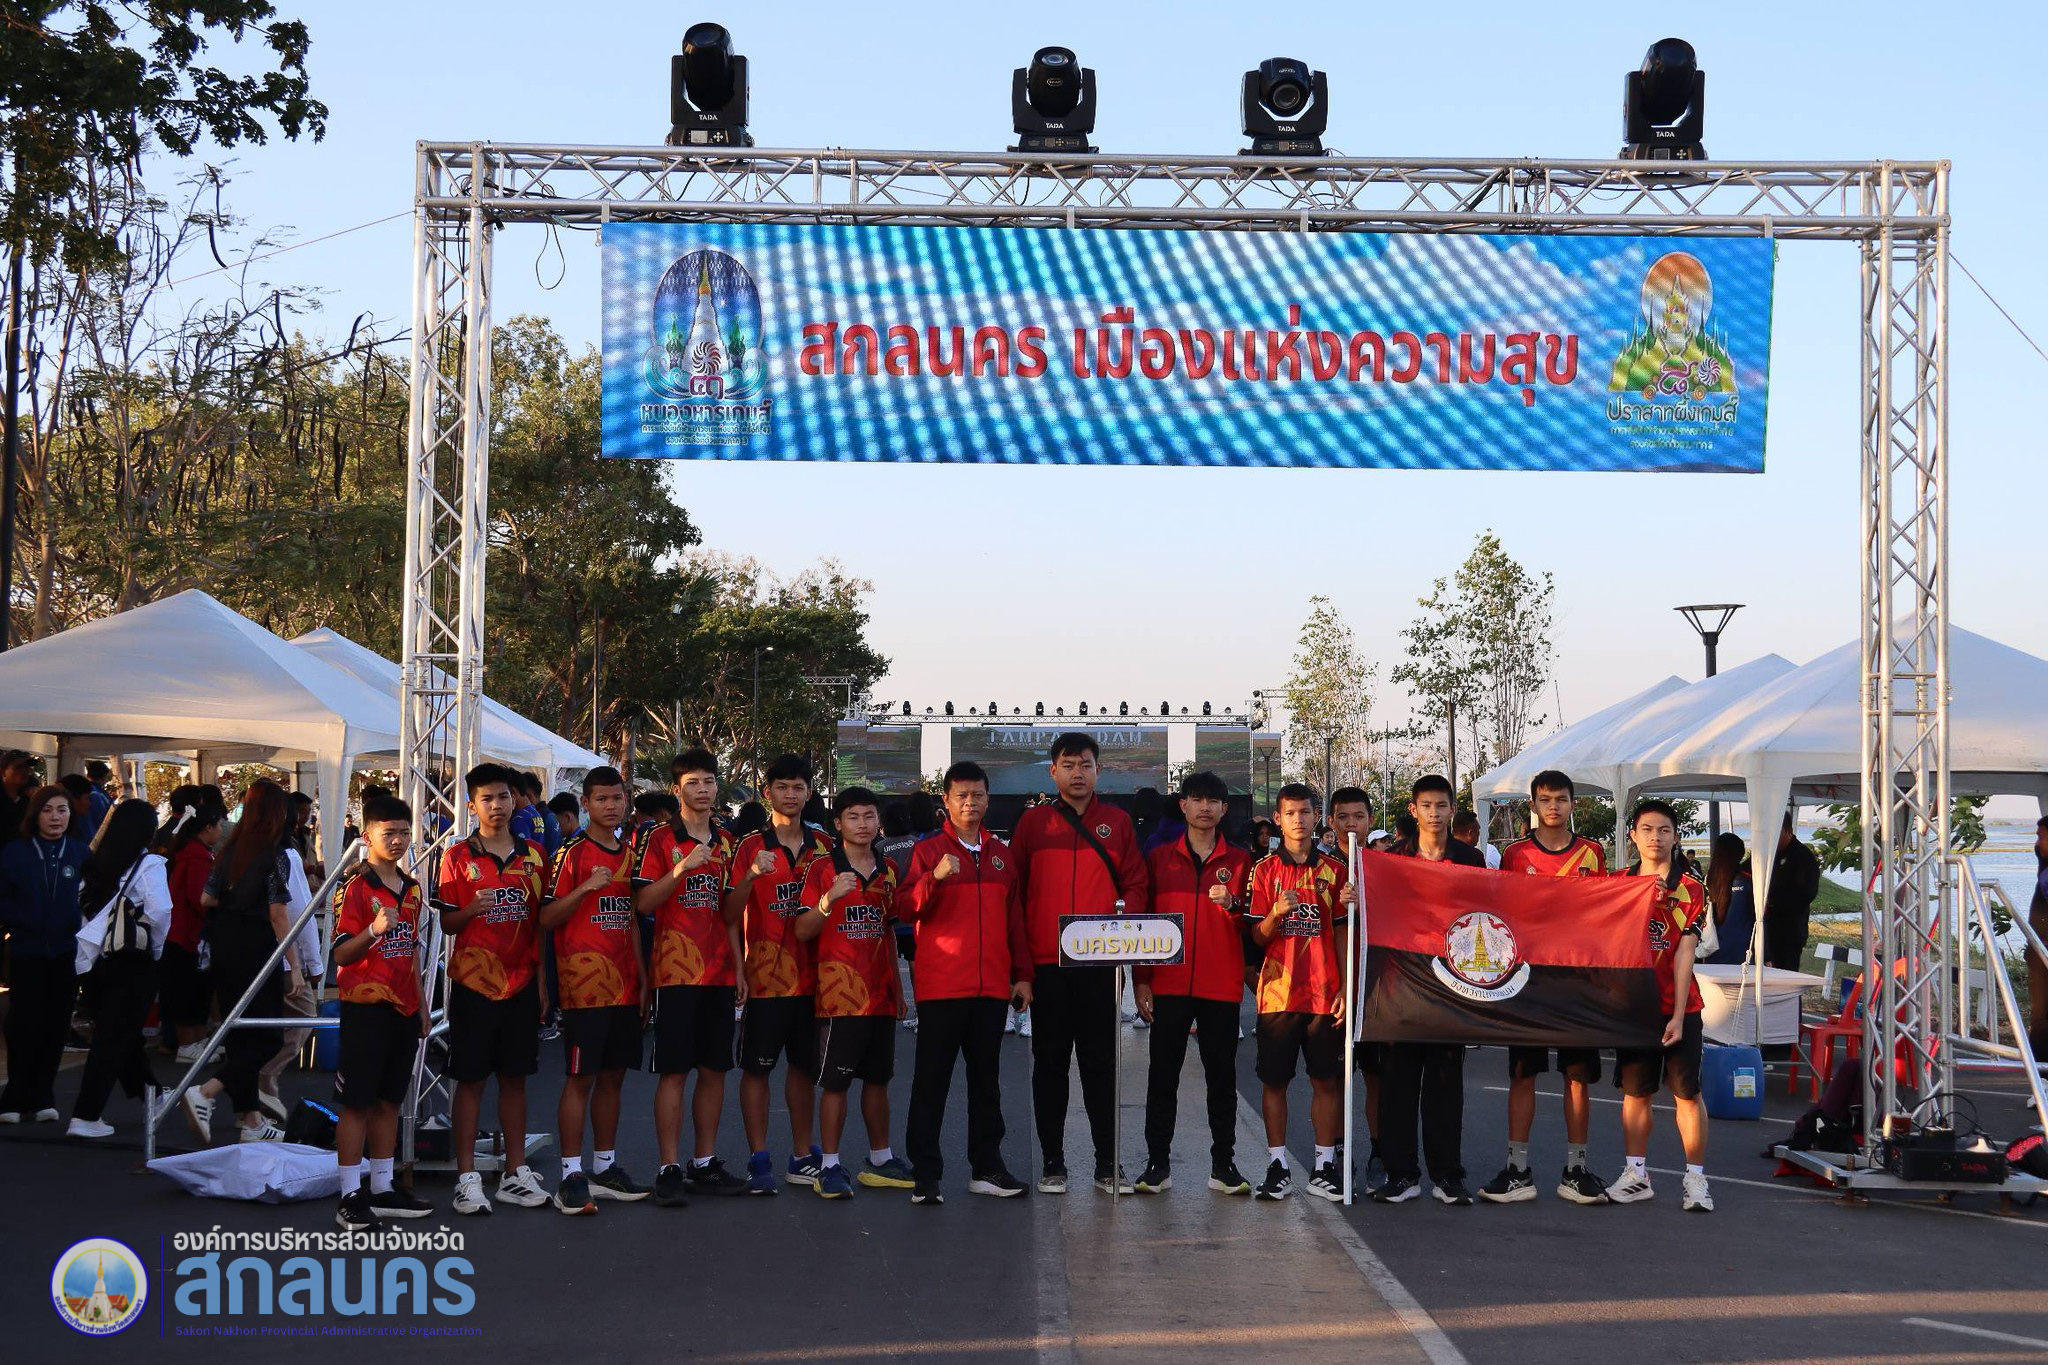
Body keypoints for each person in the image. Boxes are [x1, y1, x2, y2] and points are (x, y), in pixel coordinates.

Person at [1010, 732, 1149, 1195]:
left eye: (1085, 765)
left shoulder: (1118, 823)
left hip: (1100, 967)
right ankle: (1053, 1162)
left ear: (1098, 771)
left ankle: (1108, 1164)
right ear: (1053, 772)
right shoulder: (1032, 824)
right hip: (1047, 964)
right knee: (1049, 1065)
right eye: (1068, 765)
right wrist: (1022, 970)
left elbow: (1136, 884)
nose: (1077, 773)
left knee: (1100, 1065)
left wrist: (1121, 923)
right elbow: (1014, 896)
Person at [898, 761, 1032, 1203]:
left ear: (988, 800)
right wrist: (933, 879)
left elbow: (1015, 921)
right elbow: (904, 909)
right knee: (930, 1084)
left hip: (991, 989)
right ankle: (926, 1175)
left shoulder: (1001, 856)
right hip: (942, 989)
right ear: (946, 801)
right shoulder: (928, 852)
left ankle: (987, 1169)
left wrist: (1022, 976)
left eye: (977, 795)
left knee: (986, 1084)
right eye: (962, 795)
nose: (970, 802)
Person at [1484, 769, 1610, 1207]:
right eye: (1544, 799)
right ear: (1533, 805)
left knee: (1577, 1078)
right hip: (1527, 982)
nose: (1552, 806)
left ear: (1574, 804)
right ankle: (1517, 1170)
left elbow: (1604, 913)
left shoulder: (1593, 853)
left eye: (1560, 799)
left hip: (1577, 981)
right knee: (1523, 1074)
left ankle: (1576, 1170)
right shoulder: (1516, 854)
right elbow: (1502, 914)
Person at [435, 762, 553, 1215]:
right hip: (473, 983)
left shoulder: (535, 855)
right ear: (472, 806)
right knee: (470, 1081)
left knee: (515, 1078)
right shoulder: (457, 857)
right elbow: (448, 923)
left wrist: (541, 982)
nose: (497, 805)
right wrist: (471, 910)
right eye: (487, 798)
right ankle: (466, 1177)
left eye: (504, 796)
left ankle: (515, 1173)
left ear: (515, 799)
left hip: (521, 983)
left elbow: (540, 923)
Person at [634, 748, 750, 1203]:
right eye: (693, 783)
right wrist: (681, 868)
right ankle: (668, 1166)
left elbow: (730, 914)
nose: (703, 790)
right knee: (674, 1072)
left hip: (719, 972)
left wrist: (739, 966)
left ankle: (704, 1161)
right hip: (675, 972)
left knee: (715, 1069)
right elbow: (644, 903)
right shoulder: (659, 838)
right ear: (676, 789)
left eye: (709, 781)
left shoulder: (728, 842)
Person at [1133, 771, 1254, 1196]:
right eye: (1197, 799)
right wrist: (1141, 980)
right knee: (1161, 1078)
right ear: (1183, 805)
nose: (1205, 807)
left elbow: (1255, 925)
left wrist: (1234, 904)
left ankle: (1224, 1165)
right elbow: (1144, 924)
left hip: (1220, 987)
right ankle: (1157, 1164)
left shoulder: (1241, 862)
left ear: (1224, 809)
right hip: (1168, 985)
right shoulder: (1158, 858)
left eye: (1213, 801)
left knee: (1222, 1080)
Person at [792, 787, 914, 1198]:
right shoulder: (821, 869)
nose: (863, 824)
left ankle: (880, 1158)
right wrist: (828, 900)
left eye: (869, 816)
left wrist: (899, 989)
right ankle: (829, 1165)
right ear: (838, 824)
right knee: (836, 1084)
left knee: (878, 1080)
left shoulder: (889, 869)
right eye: (854, 817)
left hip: (880, 994)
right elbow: (802, 930)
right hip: (838, 997)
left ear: (879, 822)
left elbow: (889, 932)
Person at [539, 766, 650, 1214]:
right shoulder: (571, 853)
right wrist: (586, 887)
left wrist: (643, 979)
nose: (611, 805)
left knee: (613, 1077)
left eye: (617, 798)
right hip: (583, 989)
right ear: (585, 803)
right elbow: (546, 918)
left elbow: (633, 921)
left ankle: (605, 1168)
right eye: (601, 799)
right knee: (580, 1079)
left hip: (625, 986)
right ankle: (571, 1176)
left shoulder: (632, 854)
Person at [1375, 775, 1486, 1206]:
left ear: (1452, 809)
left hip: (1451, 987)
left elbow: (1485, 913)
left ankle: (1447, 1175)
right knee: (1398, 1085)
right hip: (1401, 985)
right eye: (1427, 806)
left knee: (1445, 1087)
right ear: (1414, 810)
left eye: (1442, 805)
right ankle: (1401, 1174)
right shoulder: (1391, 859)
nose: (1434, 814)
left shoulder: (1470, 858)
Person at [725, 754, 831, 1194]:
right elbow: (729, 913)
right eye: (782, 787)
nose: (790, 794)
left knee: (804, 1071)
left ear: (809, 793)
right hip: (764, 979)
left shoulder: (825, 844)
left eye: (798, 787)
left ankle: (802, 1156)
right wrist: (751, 876)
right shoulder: (749, 846)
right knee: (757, 1070)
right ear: (767, 792)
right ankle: (759, 1158)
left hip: (814, 980)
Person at [331, 795, 433, 1231]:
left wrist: (422, 1006)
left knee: (390, 1100)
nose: (397, 840)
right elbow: (341, 954)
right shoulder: (354, 887)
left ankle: (382, 1185)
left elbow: (412, 951)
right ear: (367, 834)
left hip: (404, 1007)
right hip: (365, 1008)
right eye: (388, 832)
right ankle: (349, 1195)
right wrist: (373, 930)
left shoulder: (412, 889)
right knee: (357, 1103)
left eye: (404, 832)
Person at [1246, 783, 1351, 1201]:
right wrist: (1275, 913)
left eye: (1305, 812)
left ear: (1317, 816)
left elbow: (1342, 933)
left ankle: (1325, 1165)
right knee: (1275, 1082)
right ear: (1278, 819)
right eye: (1290, 813)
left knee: (1326, 1081)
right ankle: (1277, 1165)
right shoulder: (1264, 870)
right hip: (1278, 994)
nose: (1298, 820)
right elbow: (1257, 937)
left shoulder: (1336, 871)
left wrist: (1345, 986)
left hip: (1324, 995)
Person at [1608, 799, 1713, 1212]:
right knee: (1636, 1093)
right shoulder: (1616, 884)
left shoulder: (1692, 888)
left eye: (1664, 830)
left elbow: (1686, 953)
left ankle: (1696, 1179)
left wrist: (1678, 1016)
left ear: (1675, 836)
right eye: (1648, 829)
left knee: (1687, 1093)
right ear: (1633, 836)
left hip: (1680, 1007)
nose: (1656, 837)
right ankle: (1636, 1174)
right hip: (1634, 1008)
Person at [188, 780, 300, 1143]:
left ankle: (250, 1120)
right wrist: (295, 966)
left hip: (224, 946)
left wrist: (235, 902)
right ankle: (207, 1090)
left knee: (238, 1032)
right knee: (268, 1036)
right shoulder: (274, 855)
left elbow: (206, 899)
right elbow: (278, 914)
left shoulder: (228, 850)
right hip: (256, 949)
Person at [66, 800, 170, 1137]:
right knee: (113, 1039)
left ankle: (153, 1095)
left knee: (121, 1034)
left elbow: (82, 912)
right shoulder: (149, 864)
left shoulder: (94, 865)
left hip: (96, 961)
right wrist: (155, 950)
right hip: (133, 961)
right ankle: (86, 1115)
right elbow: (160, 911)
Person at [0, 786, 89, 1123]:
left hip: (66, 952)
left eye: (62, 810)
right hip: (26, 950)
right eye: (48, 810)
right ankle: (14, 1096)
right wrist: (24, 921)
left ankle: (43, 1096)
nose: (55, 817)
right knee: (23, 1023)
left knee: (56, 1024)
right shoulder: (15, 852)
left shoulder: (80, 853)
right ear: (35, 815)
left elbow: (92, 901)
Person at [1324, 786, 1383, 1187]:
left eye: (1358, 817)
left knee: (1377, 1077)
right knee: (1336, 1077)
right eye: (1343, 817)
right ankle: (1337, 1152)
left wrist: (1369, 902)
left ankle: (1380, 1151)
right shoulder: (1322, 868)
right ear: (1331, 821)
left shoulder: (1384, 867)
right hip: (1335, 990)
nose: (1351, 824)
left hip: (1377, 988)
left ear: (1370, 821)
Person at [161, 797, 226, 1064]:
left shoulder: (191, 851)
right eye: (219, 825)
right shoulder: (197, 855)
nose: (221, 830)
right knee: (189, 991)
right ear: (208, 827)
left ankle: (196, 1042)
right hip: (187, 935)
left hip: (185, 935)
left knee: (196, 990)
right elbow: (199, 898)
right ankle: (188, 1044)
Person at [1763, 813, 1821, 970]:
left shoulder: (1803, 857)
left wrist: (1773, 901)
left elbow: (1807, 893)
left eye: (1776, 833)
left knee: (1786, 974)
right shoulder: (1771, 853)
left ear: (1788, 831)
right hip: (1769, 928)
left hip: (1790, 931)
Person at [1701, 833, 1757, 968]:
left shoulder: (1707, 881)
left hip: (1711, 951)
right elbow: (1758, 919)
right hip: (1743, 954)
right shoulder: (1747, 882)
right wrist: (1767, 955)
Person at [2028, 816, 2048, 1059]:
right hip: (2039, 950)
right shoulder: (2044, 868)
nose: (2037, 843)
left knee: (2041, 1015)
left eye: (2041, 837)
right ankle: (2041, 1070)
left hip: (2042, 948)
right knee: (2041, 1015)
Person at [0, 750, 42, 841]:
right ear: (3, 771)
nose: (24, 771)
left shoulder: (28, 798)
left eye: (27, 767)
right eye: (18, 767)